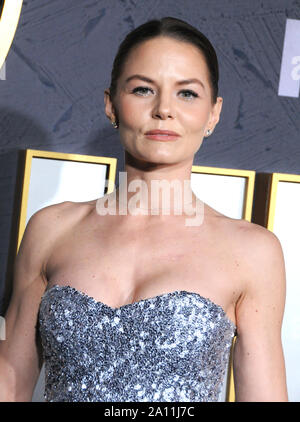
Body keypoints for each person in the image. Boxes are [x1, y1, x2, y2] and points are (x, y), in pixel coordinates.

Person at [0, 17, 288, 402]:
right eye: (142, 89)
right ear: (111, 104)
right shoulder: (50, 229)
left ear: (214, 113)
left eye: (187, 93)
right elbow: (11, 380)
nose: (163, 109)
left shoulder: (253, 251)